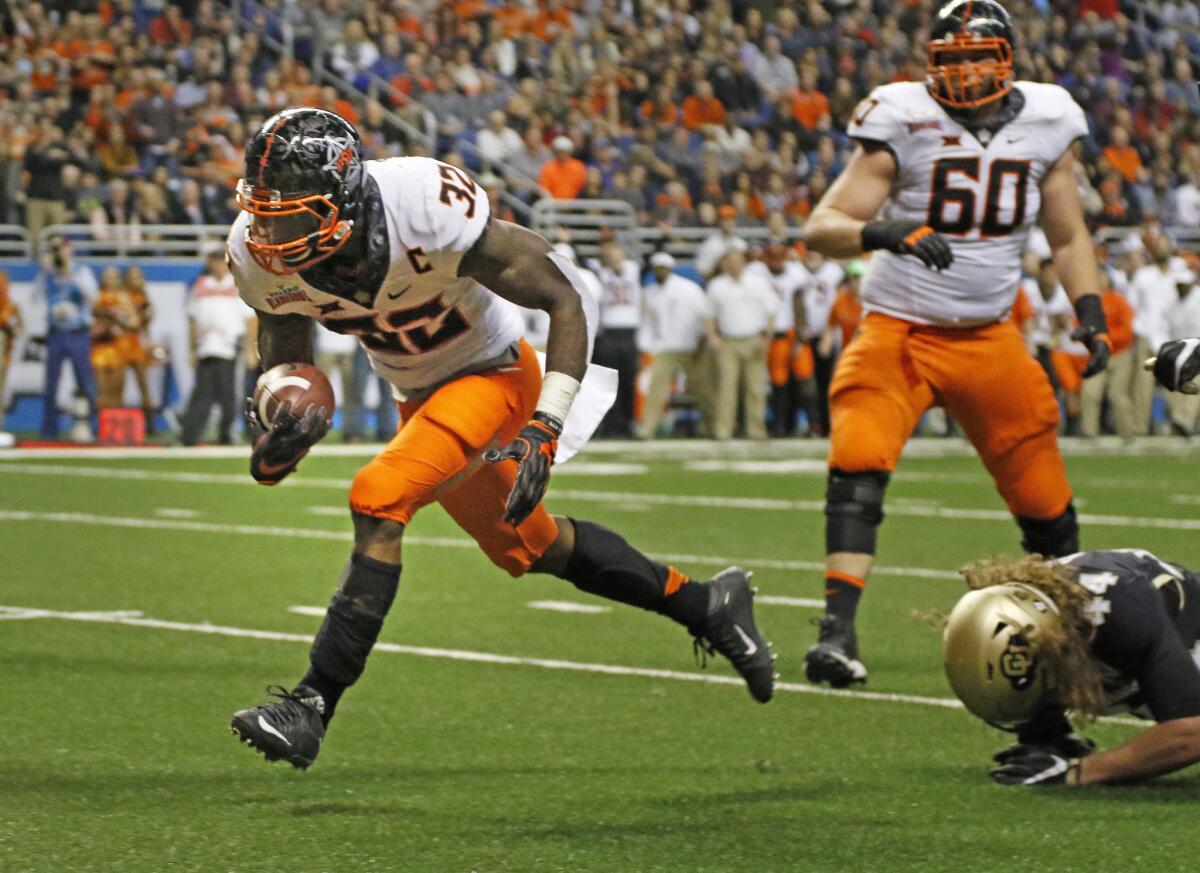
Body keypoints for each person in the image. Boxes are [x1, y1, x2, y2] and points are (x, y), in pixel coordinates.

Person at [225, 109, 775, 768]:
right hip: (422, 397)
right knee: (529, 545)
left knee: (379, 496)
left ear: (341, 204)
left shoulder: (421, 204)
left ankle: (311, 704)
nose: (269, 233)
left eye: (289, 217)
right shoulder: (261, 260)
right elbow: (290, 365)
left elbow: (565, 298)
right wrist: (280, 438)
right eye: (262, 212)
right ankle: (707, 602)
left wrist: (547, 422)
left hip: (495, 374)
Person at [801, 0, 1111, 688]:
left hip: (988, 334)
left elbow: (1066, 233)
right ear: (930, 64)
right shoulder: (902, 116)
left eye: (978, 57)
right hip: (899, 328)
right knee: (857, 458)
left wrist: (1089, 312)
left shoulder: (1049, 118)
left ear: (1007, 61)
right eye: (952, 59)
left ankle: (1084, 631)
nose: (966, 72)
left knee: (1044, 496)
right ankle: (836, 631)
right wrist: (888, 232)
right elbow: (822, 226)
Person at [943, 549, 1200, 786]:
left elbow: (1190, 732)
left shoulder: (1120, 617)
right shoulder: (1032, 607)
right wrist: (1045, 738)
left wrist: (1080, 771)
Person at [637, 252, 712, 439]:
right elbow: (648, 322)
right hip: (665, 347)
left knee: (702, 389)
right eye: (657, 269)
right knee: (656, 390)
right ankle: (648, 429)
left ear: (669, 269)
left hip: (690, 347)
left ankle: (713, 425)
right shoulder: (650, 292)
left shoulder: (689, 289)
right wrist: (646, 345)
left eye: (663, 268)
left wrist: (702, 341)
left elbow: (704, 316)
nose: (660, 272)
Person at [706, 245, 777, 441]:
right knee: (726, 388)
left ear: (744, 263)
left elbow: (771, 311)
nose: (734, 266)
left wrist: (766, 337)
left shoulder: (759, 283)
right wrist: (712, 336)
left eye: (737, 262)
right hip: (728, 341)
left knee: (755, 388)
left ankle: (756, 430)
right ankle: (723, 430)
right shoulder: (717, 285)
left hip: (754, 339)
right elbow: (709, 315)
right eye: (730, 263)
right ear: (725, 265)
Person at [180, 251, 249, 445]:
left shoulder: (237, 284)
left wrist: (252, 348)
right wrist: (191, 348)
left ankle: (226, 434)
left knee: (229, 394)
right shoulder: (200, 285)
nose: (217, 265)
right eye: (214, 261)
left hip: (229, 345)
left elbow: (250, 317)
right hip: (206, 346)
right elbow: (192, 319)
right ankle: (190, 436)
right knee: (202, 393)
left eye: (221, 261)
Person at [38, 236, 99, 439]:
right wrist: (44, 272)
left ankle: (91, 424)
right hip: (56, 333)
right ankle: (49, 429)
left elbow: (93, 296)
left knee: (85, 381)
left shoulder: (81, 271)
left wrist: (70, 273)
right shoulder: (49, 274)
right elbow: (35, 297)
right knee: (51, 383)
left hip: (77, 332)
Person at [0, 271, 21, 439]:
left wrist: (11, 327)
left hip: (4, 354)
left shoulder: (12, 307)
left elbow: (19, 328)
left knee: (1, 390)